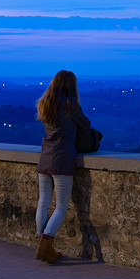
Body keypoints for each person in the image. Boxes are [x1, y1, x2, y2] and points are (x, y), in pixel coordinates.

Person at [34, 70, 91, 263]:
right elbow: (86, 123)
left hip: (45, 158)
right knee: (61, 207)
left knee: (43, 203)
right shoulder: (69, 104)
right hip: (62, 160)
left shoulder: (45, 103)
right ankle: (45, 246)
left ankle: (43, 245)